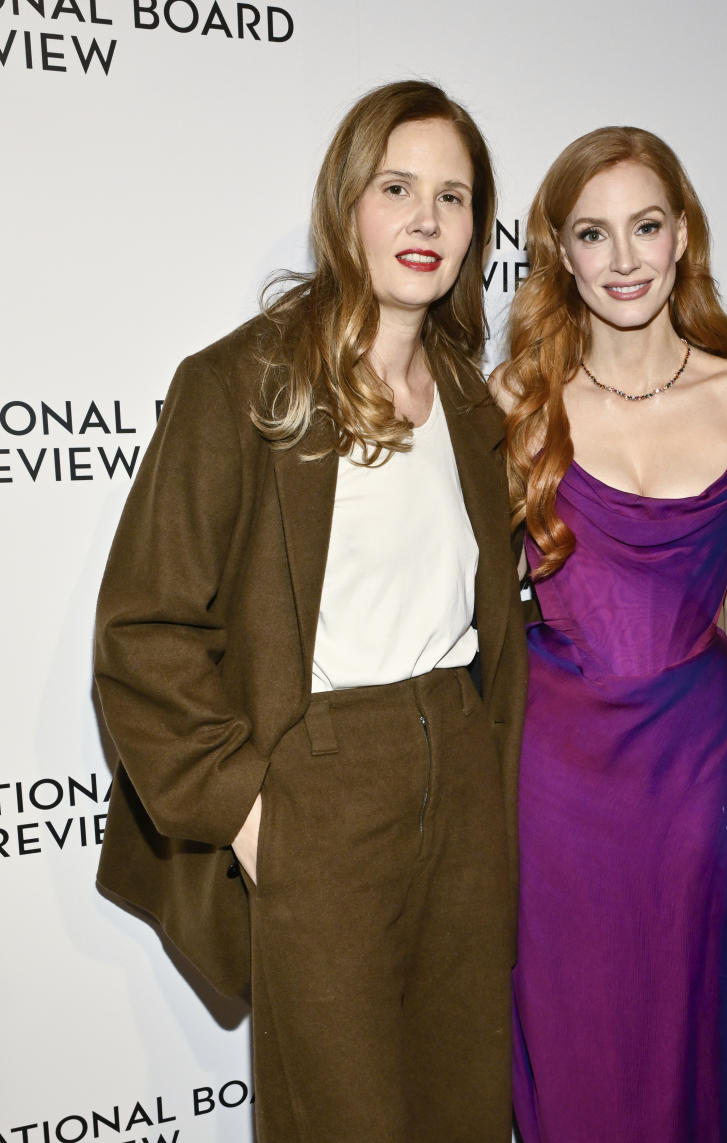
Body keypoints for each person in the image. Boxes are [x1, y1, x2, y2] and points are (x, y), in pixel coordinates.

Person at [94, 80, 526, 1143]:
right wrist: (250, 809)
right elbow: (144, 630)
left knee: (465, 1106)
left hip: (465, 779)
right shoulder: (242, 383)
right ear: (348, 206)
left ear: (477, 230)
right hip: (321, 792)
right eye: (398, 187)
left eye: (455, 197)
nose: (427, 220)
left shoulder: (473, 401)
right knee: (342, 1119)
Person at [493, 127, 727, 1142]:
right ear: (561, 253)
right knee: (568, 1025)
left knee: (682, 1019)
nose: (623, 259)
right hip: (557, 771)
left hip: (693, 762)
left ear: (681, 236)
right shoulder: (520, 406)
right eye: (593, 233)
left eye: (645, 227)